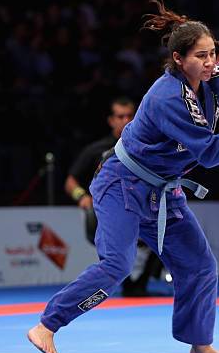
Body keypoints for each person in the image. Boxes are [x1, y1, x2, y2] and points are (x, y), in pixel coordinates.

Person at [27, 0, 219, 353]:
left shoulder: (212, 78)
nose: (210, 63)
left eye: (212, 54)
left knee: (200, 264)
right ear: (179, 59)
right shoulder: (167, 97)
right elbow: (207, 152)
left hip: (164, 190)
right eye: (200, 56)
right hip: (121, 185)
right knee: (117, 265)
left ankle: (199, 343)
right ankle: (47, 324)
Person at [65, 96, 163, 297]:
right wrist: (82, 196)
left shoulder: (147, 147)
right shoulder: (96, 150)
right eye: (120, 116)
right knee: (118, 253)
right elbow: (71, 181)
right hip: (112, 211)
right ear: (111, 120)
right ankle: (124, 284)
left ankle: (141, 284)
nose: (125, 120)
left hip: (143, 207)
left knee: (167, 230)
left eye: (130, 116)